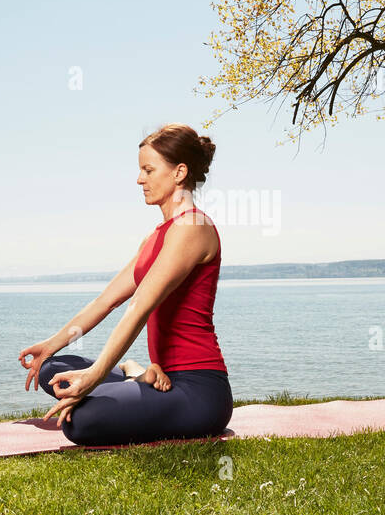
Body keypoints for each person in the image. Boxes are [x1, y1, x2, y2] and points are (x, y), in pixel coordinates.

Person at [17, 123, 232, 446]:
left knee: (83, 424)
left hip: (198, 390)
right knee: (52, 368)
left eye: (148, 170)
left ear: (179, 172)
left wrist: (94, 378)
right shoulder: (156, 235)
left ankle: (134, 378)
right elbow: (107, 301)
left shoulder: (193, 227)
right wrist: (50, 345)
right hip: (164, 378)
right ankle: (137, 375)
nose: (139, 179)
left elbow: (138, 307)